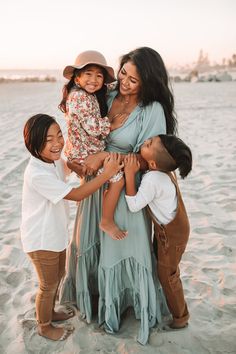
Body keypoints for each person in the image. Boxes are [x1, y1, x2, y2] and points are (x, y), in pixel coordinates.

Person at [60, 47, 178, 345]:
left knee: (122, 247)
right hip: (95, 182)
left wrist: (104, 156)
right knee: (89, 244)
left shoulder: (151, 111)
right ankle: (96, 300)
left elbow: (147, 158)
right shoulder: (106, 94)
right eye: (123, 73)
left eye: (134, 80)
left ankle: (125, 304)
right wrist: (79, 159)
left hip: (127, 185)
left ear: (148, 83)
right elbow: (79, 123)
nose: (124, 83)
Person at [21, 113, 123, 341]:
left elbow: (66, 165)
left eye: (59, 135)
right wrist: (106, 174)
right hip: (40, 239)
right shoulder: (36, 173)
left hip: (54, 234)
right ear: (33, 144)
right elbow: (76, 195)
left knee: (58, 274)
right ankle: (44, 326)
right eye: (48, 140)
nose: (57, 143)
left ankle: (52, 312)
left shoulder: (52, 160)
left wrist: (77, 168)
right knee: (47, 285)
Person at [124, 134, 192, 330]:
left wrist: (129, 174)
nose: (145, 141)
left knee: (168, 275)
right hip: (174, 228)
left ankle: (181, 318)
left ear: (152, 163)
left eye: (149, 144)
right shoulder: (164, 170)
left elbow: (135, 205)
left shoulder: (154, 178)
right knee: (166, 269)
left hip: (171, 236)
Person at [59, 50, 128, 240]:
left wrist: (123, 81)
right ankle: (106, 220)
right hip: (84, 153)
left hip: (84, 149)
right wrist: (112, 124)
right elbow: (91, 127)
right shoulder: (79, 97)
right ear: (77, 77)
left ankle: (98, 204)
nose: (94, 79)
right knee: (118, 178)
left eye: (99, 75)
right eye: (88, 74)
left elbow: (112, 85)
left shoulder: (89, 93)